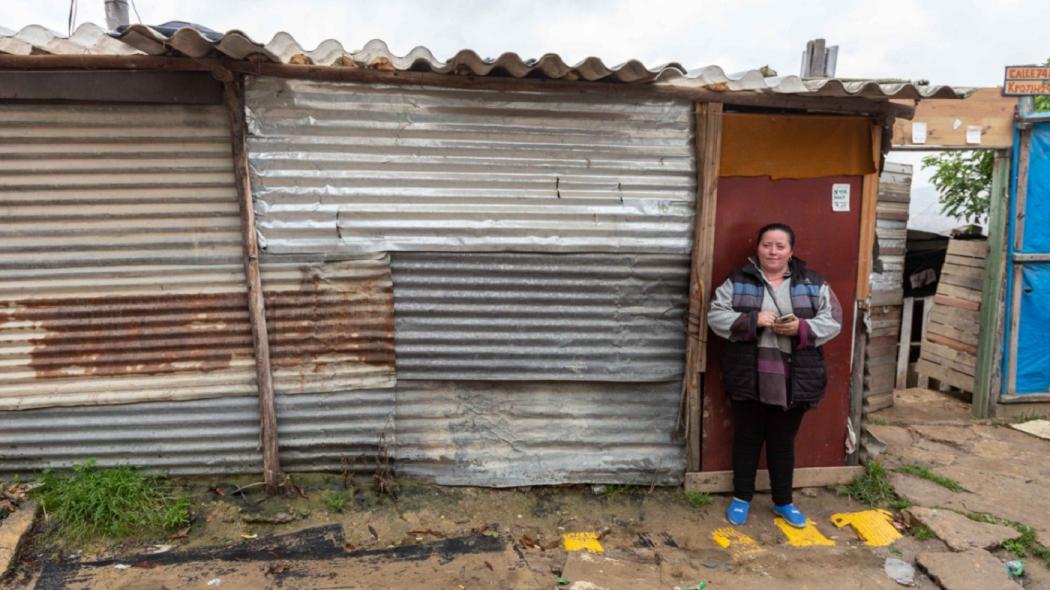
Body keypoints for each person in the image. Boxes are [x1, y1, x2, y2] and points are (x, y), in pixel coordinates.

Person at [707, 223, 842, 528]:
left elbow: (833, 319)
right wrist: (752, 320)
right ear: (758, 248)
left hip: (794, 380)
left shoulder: (812, 282)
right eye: (767, 245)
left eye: (780, 246)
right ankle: (742, 498)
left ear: (791, 251)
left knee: (783, 442)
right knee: (746, 438)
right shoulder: (737, 281)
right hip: (748, 375)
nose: (773, 251)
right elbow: (715, 315)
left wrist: (801, 328)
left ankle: (784, 501)